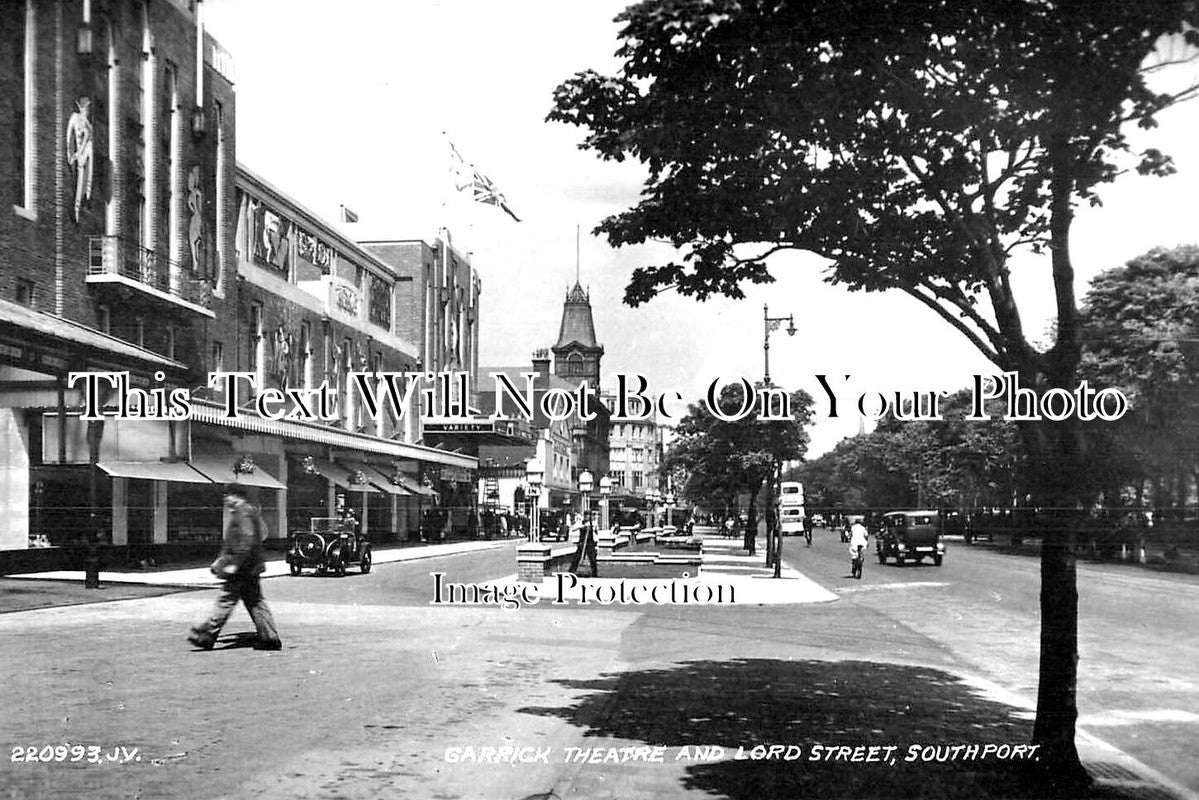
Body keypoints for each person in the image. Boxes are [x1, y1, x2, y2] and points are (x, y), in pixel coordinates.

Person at [188, 485, 282, 651]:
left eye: (228, 496)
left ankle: (206, 635)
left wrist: (234, 564)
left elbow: (246, 542)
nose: (226, 500)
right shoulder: (244, 512)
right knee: (255, 603)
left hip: (242, 568)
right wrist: (220, 561)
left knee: (226, 600)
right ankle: (270, 638)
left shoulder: (243, 513)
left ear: (237, 497)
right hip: (249, 567)